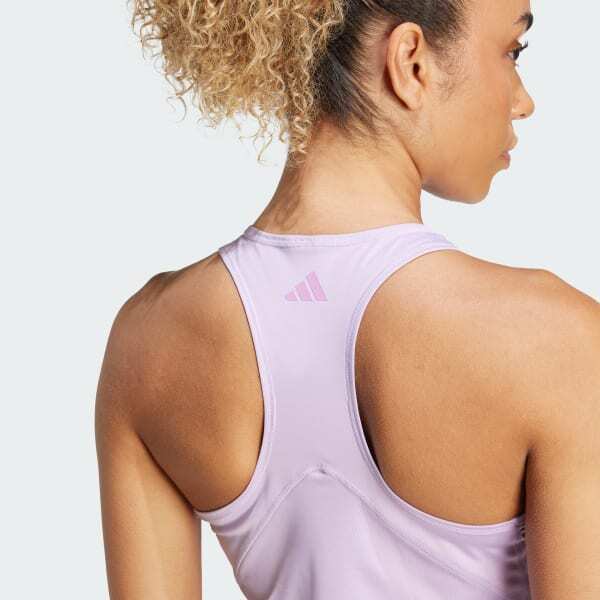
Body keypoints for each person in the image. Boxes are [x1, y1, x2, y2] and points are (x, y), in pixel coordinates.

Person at [95, 0, 600, 598]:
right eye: (512, 52)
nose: (524, 101)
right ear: (410, 62)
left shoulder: (147, 341)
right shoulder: (557, 342)